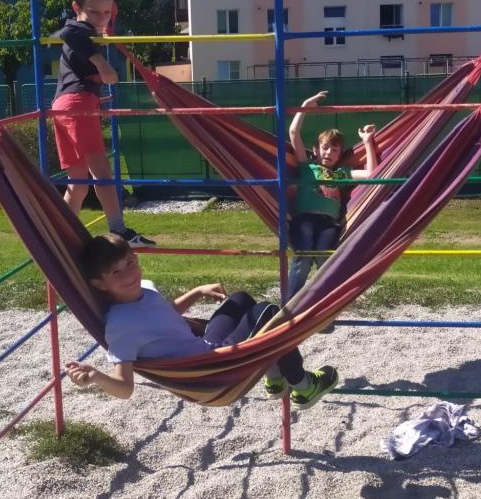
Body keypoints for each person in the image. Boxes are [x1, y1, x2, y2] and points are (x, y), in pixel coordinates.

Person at [65, 234, 339, 410]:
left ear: (136, 258)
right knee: (268, 313)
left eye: (129, 263)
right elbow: (124, 387)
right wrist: (96, 377)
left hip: (204, 345)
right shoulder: (121, 326)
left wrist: (197, 292)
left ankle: (275, 377)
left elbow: (166, 314)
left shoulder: (144, 289)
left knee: (240, 299)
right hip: (211, 373)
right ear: (99, 284)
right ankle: (303, 385)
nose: (129, 274)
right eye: (116, 272)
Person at [50, 0, 156, 247]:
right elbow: (67, 32)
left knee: (78, 183)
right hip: (77, 105)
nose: (101, 18)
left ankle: (62, 233)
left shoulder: (93, 32)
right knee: (102, 174)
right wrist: (101, 63)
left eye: (106, 12)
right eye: (94, 12)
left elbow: (99, 23)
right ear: (77, 8)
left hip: (65, 106)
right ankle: (119, 231)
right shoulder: (79, 29)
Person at [286, 90, 379, 301]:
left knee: (325, 261)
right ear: (315, 150)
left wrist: (367, 141)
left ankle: (319, 307)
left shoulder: (341, 173)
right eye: (325, 148)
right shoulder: (307, 166)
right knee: (303, 258)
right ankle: (289, 306)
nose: (328, 153)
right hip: (304, 219)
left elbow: (372, 174)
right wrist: (304, 107)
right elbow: (293, 133)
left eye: (334, 150)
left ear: (340, 154)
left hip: (329, 223)